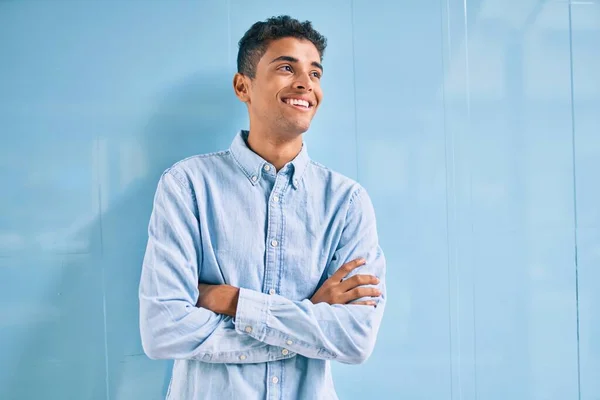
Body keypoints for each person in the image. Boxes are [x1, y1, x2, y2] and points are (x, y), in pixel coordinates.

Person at [139, 15, 387, 400]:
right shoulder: (187, 185)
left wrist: (232, 300)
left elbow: (355, 339)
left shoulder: (347, 203)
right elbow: (163, 330)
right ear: (243, 86)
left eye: (315, 73)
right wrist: (308, 316)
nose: (306, 83)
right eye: (287, 68)